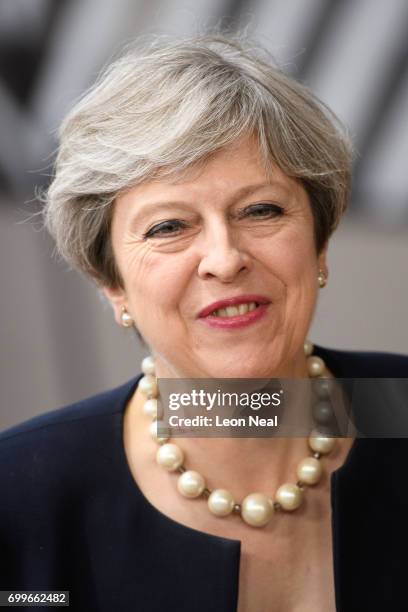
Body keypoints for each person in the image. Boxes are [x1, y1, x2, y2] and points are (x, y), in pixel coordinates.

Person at [0, 34, 407, 612]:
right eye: (168, 226)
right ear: (110, 282)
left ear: (319, 242)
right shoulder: (21, 495)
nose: (224, 258)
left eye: (260, 210)